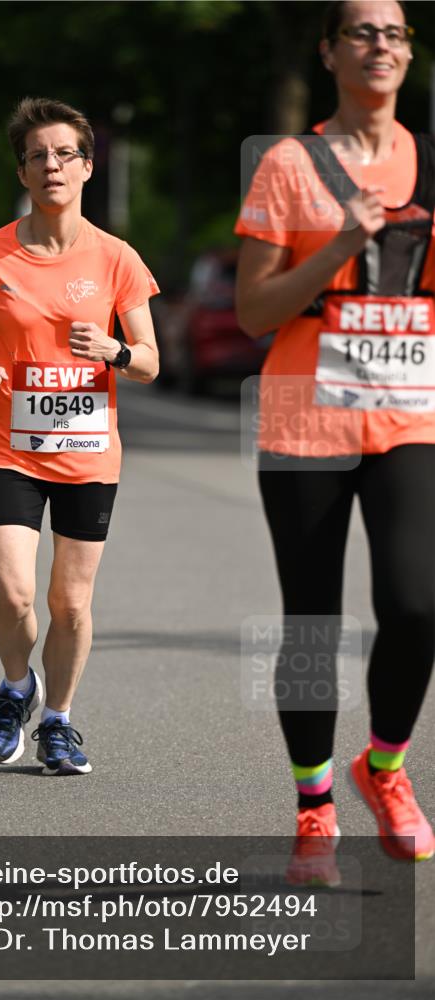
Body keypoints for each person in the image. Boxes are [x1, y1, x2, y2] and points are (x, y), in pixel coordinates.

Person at [235, 0, 434, 881]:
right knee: (312, 621)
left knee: (418, 604)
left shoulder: (430, 159)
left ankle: (382, 768)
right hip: (303, 417)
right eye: (361, 31)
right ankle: (314, 807)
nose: (379, 44)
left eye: (393, 31)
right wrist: (339, 246)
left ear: (408, 51)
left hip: (408, 414)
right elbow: (252, 312)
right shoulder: (286, 164)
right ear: (328, 52)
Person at [0, 97, 159, 775]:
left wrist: (114, 350)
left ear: (88, 166)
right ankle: (16, 689)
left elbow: (152, 360)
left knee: (68, 605)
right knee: (13, 595)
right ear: (22, 172)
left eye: (64, 153)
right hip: (7, 447)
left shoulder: (117, 258)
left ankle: (59, 722)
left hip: (88, 454)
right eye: (37, 156)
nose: (50, 166)